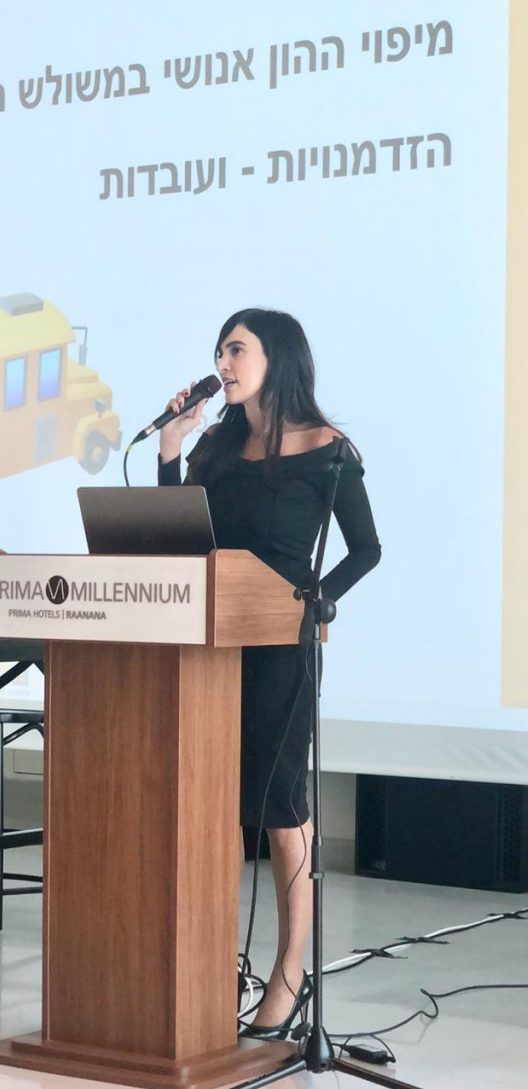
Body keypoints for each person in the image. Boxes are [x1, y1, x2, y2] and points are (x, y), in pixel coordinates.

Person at [158, 308, 381, 1039]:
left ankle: (288, 973)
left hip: (281, 646)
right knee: (216, 805)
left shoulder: (328, 449)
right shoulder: (217, 445)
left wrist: (318, 601)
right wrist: (170, 449)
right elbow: (174, 541)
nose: (221, 363)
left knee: (280, 806)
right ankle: (210, 965)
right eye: (219, 351)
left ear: (276, 357)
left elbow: (366, 548)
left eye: (236, 349)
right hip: (211, 649)